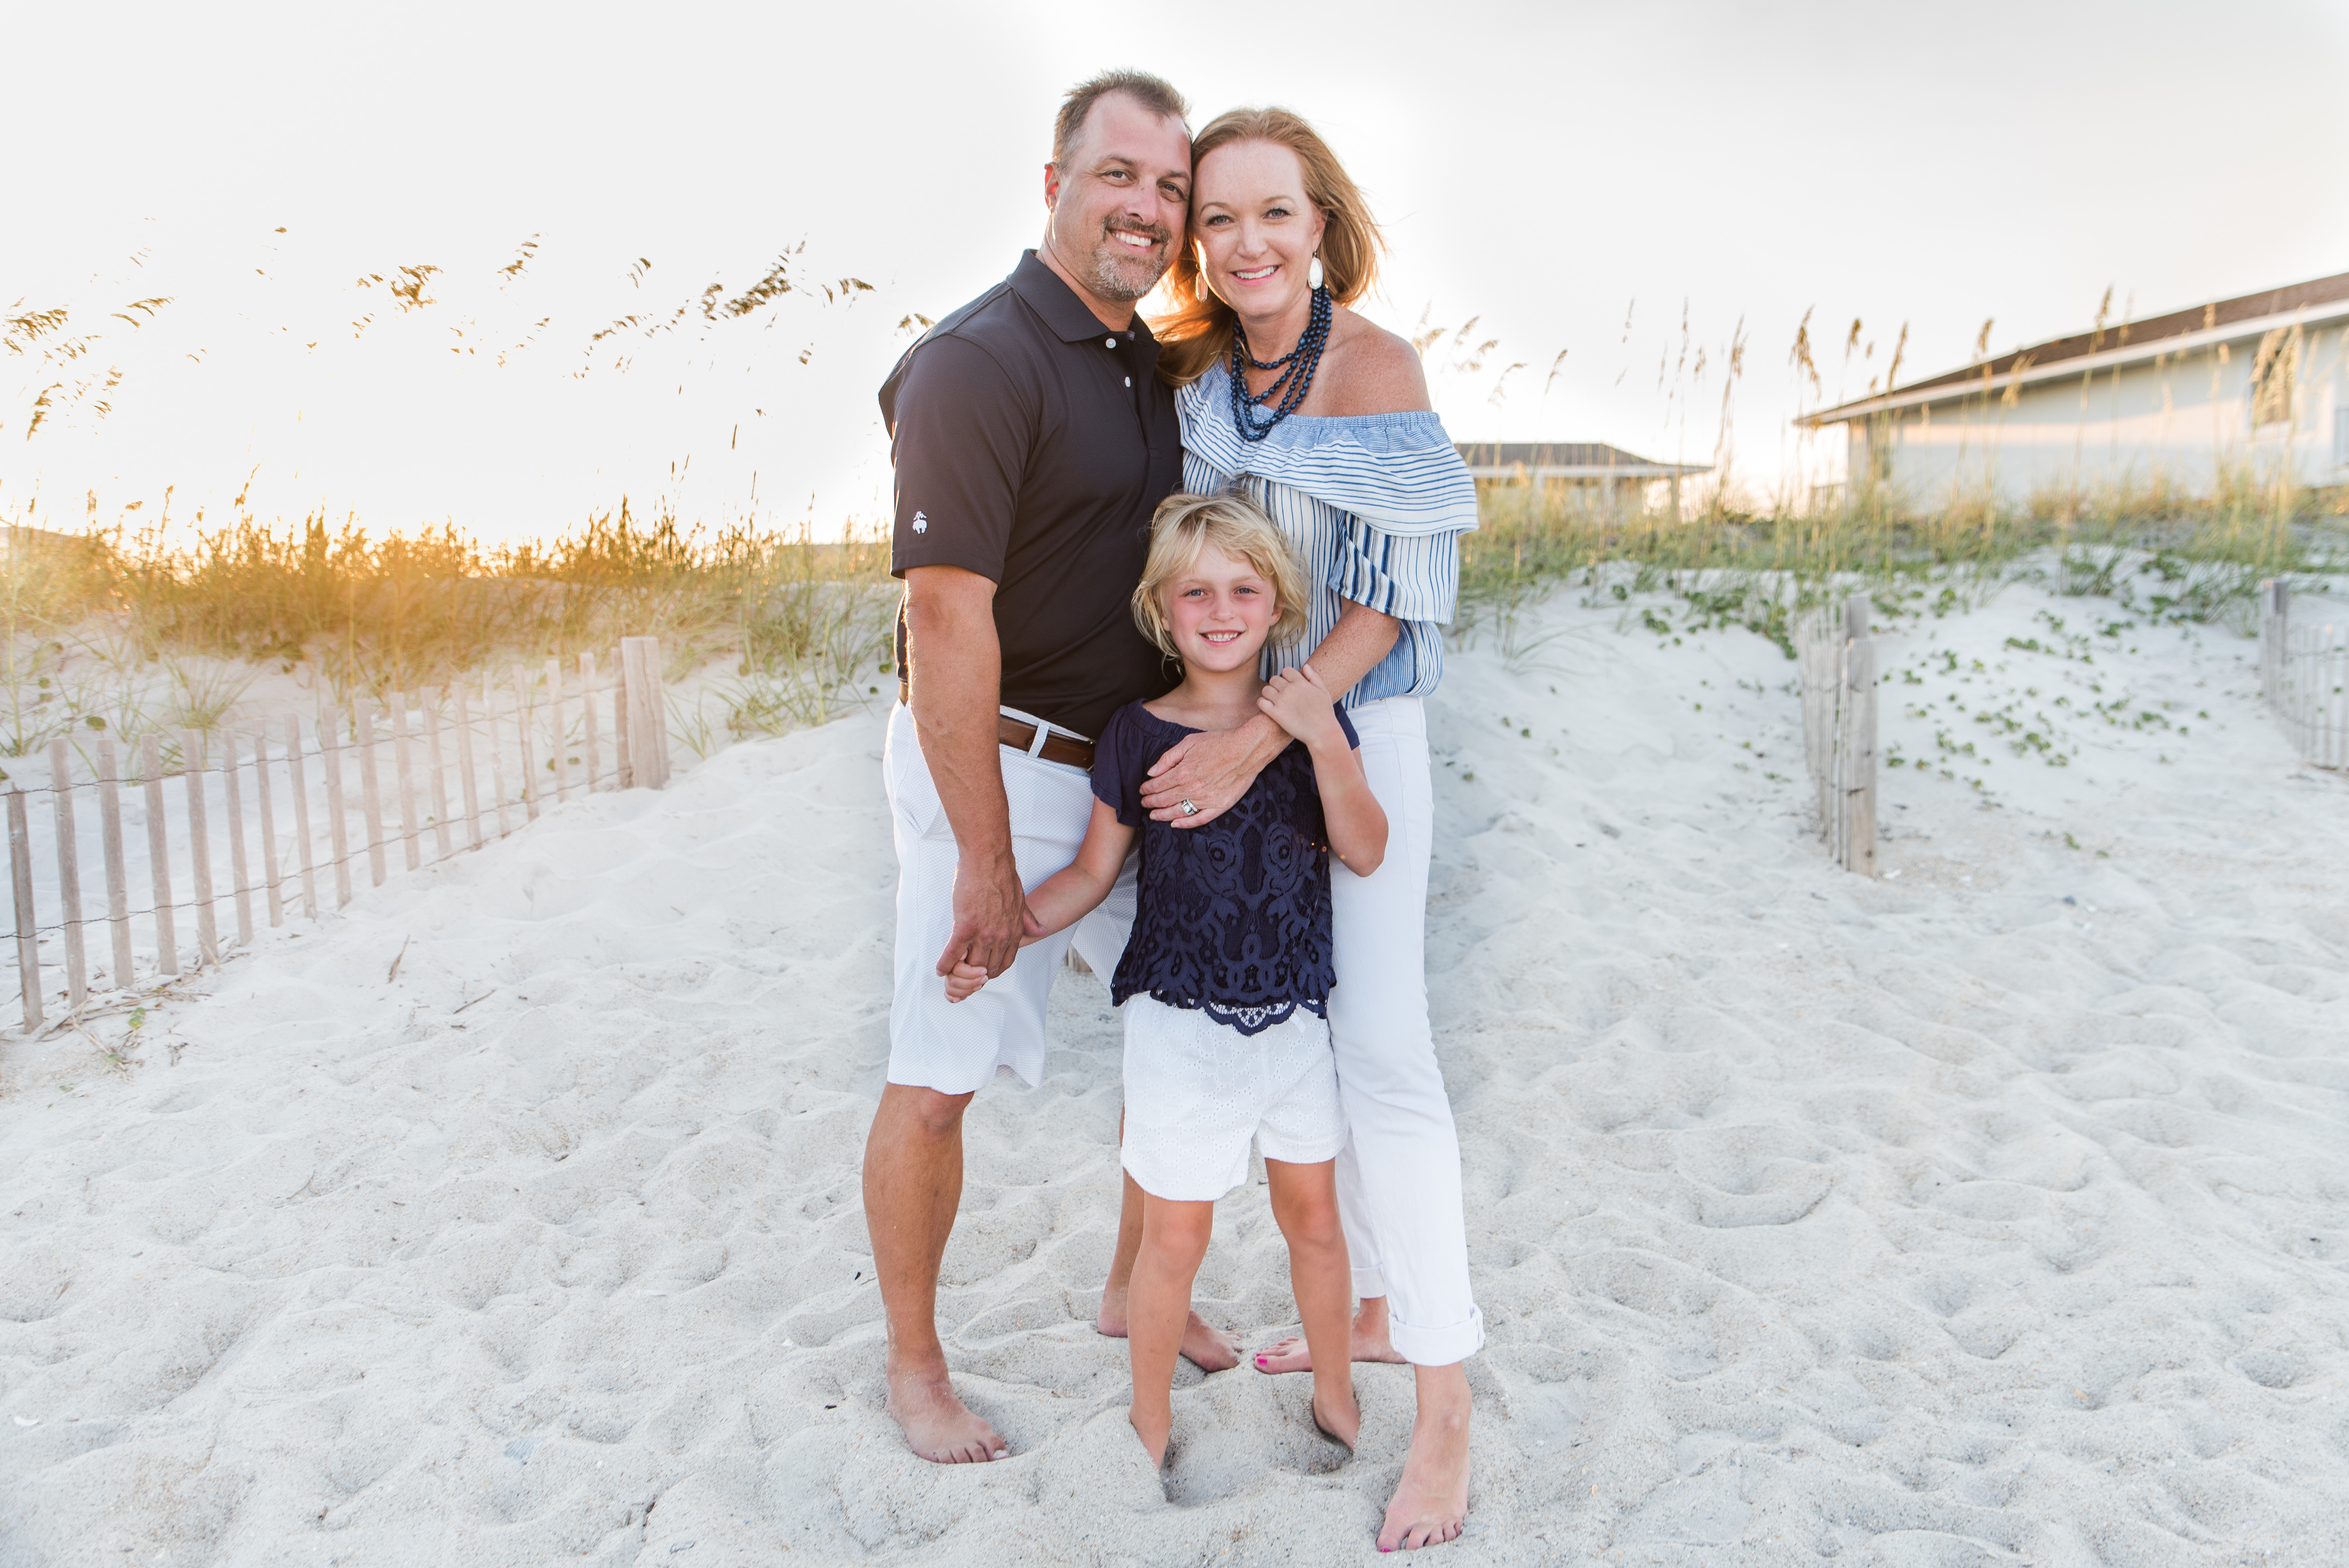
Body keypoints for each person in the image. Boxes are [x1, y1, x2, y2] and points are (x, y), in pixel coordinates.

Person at [1114, 107, 1486, 1551]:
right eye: (1219, 219)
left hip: (1349, 724)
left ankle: (1443, 1408)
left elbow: (1389, 592)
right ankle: (1373, 1304)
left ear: (1322, 223)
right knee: (1284, 1027)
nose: (1246, 242)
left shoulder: (1374, 365)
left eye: (1276, 213)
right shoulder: (1203, 374)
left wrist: (1263, 732)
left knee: (1385, 1055)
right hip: (1226, 733)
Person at [862, 69, 1242, 1467]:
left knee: (1187, 1028)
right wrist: (977, 852)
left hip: (1129, 771)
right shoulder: (978, 360)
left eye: (1167, 190)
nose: (1145, 208)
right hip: (998, 768)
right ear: (1053, 186)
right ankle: (915, 1364)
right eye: (1117, 177)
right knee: (937, 1064)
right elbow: (944, 617)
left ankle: (1137, 1285)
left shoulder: (1137, 359)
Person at [946, 491, 1385, 1469]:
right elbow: (1092, 875)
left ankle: (1333, 1388)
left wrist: (1320, 737)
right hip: (1180, 1027)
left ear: (1278, 605)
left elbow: (1365, 849)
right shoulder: (1135, 732)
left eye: (1243, 588)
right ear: (1161, 609)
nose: (1221, 609)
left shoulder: (1313, 720)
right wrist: (1001, 931)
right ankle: (1149, 1419)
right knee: (1174, 1241)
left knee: (1312, 1222)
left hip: (1293, 1020)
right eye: (1196, 592)